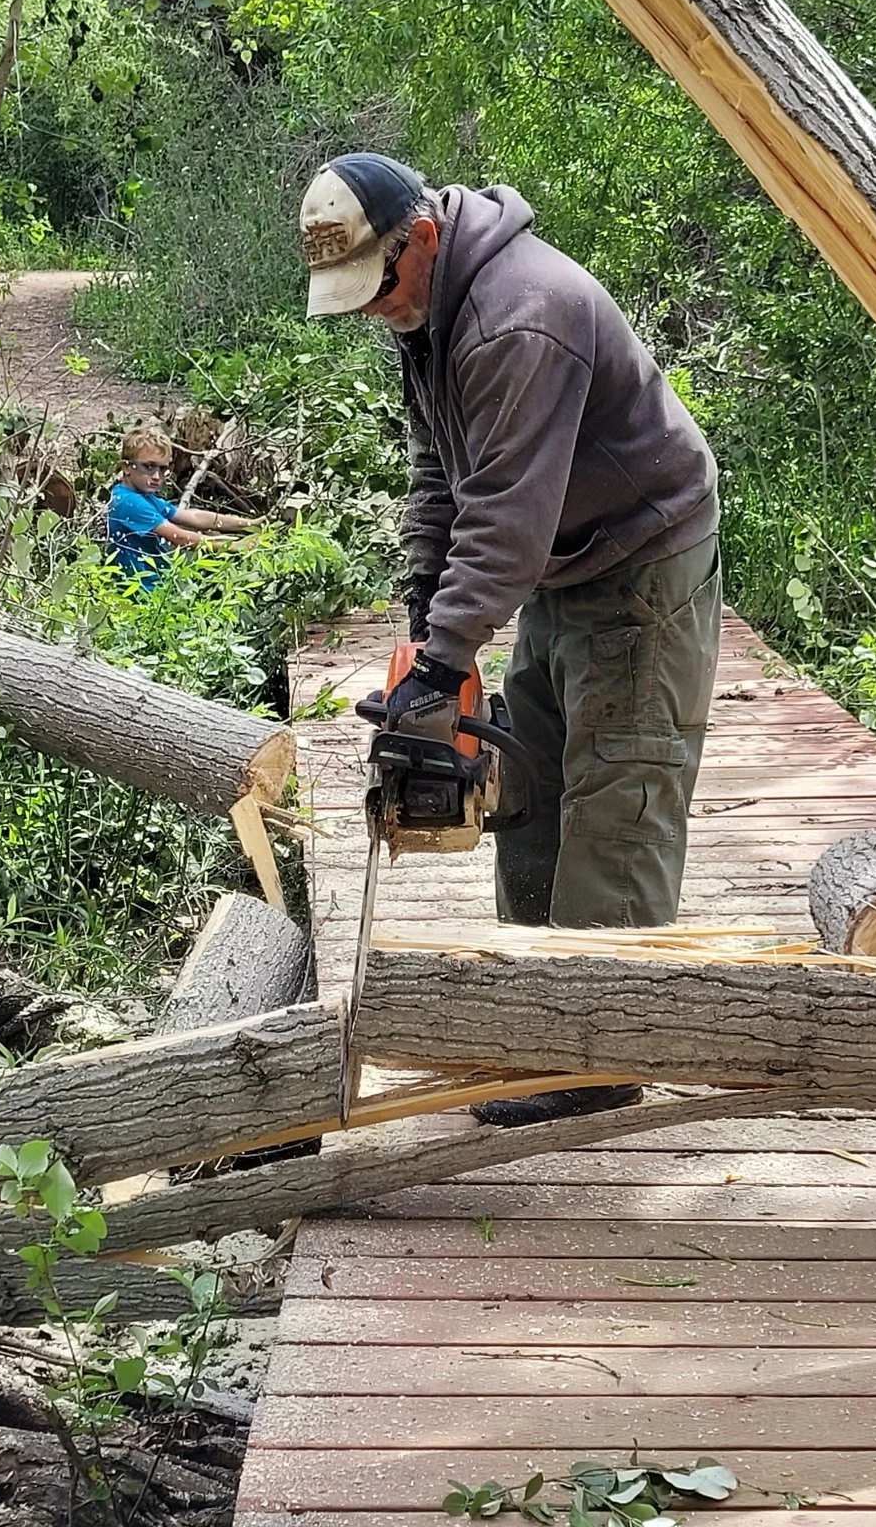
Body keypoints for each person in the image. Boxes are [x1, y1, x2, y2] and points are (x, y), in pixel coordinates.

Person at [301, 149, 722, 937]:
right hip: (563, 563)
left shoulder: (517, 317)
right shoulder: (427, 308)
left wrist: (443, 663)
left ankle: (599, 1057)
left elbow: (506, 518)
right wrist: (429, 605)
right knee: (528, 796)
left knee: (616, 817)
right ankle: (521, 1012)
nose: (371, 310)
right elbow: (440, 464)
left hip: (642, 562)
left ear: (419, 236)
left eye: (377, 288)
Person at [105, 426, 256, 581]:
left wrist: (250, 524)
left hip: (155, 585)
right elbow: (179, 537)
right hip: (141, 593)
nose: (157, 476)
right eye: (149, 467)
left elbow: (194, 517)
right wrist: (234, 546)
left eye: (163, 469)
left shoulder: (142, 496)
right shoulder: (129, 502)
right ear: (126, 467)